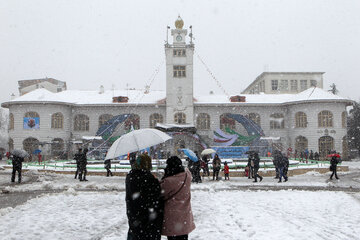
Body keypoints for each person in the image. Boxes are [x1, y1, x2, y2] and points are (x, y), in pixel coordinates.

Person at [126, 154, 163, 240]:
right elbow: (156, 196)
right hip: (148, 220)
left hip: (133, 216)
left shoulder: (130, 176)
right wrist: (155, 181)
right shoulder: (148, 178)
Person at [161, 156, 195, 239]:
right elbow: (187, 170)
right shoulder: (187, 176)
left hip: (172, 219)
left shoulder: (168, 181)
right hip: (184, 218)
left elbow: (160, 193)